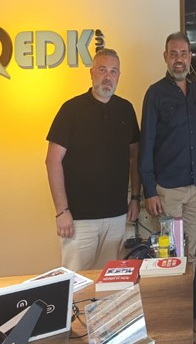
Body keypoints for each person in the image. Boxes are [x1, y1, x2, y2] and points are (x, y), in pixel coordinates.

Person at [139, 31, 196, 344]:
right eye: (174, 53)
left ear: (190, 56)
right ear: (165, 57)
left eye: (184, 53)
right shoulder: (155, 93)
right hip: (167, 193)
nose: (179, 59)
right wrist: (149, 191)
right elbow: (146, 144)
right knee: (169, 258)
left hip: (195, 190)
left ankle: (184, 324)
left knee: (190, 257)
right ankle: (167, 329)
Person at [45, 48, 141, 271]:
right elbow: (52, 161)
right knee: (76, 282)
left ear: (119, 76)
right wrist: (62, 211)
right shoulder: (71, 110)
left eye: (114, 71)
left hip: (117, 216)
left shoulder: (126, 110)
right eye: (103, 70)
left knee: (110, 281)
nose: (108, 76)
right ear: (91, 73)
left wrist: (135, 198)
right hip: (79, 219)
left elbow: (135, 156)